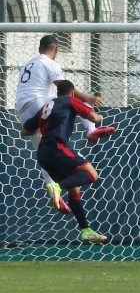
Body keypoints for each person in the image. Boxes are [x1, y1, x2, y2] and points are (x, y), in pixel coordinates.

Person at [16, 35, 115, 213]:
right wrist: (88, 97)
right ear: (55, 50)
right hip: (39, 101)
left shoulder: (27, 64)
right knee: (73, 101)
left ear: (40, 48)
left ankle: (54, 191)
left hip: (23, 109)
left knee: (43, 151)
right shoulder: (49, 62)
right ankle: (91, 130)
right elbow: (64, 86)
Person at [21, 80, 109, 243]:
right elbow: (94, 118)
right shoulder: (70, 100)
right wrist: (100, 116)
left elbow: (25, 131)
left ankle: (85, 230)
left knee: (74, 188)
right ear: (72, 92)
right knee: (92, 174)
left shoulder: (46, 107)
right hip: (58, 147)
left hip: (43, 154)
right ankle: (56, 187)